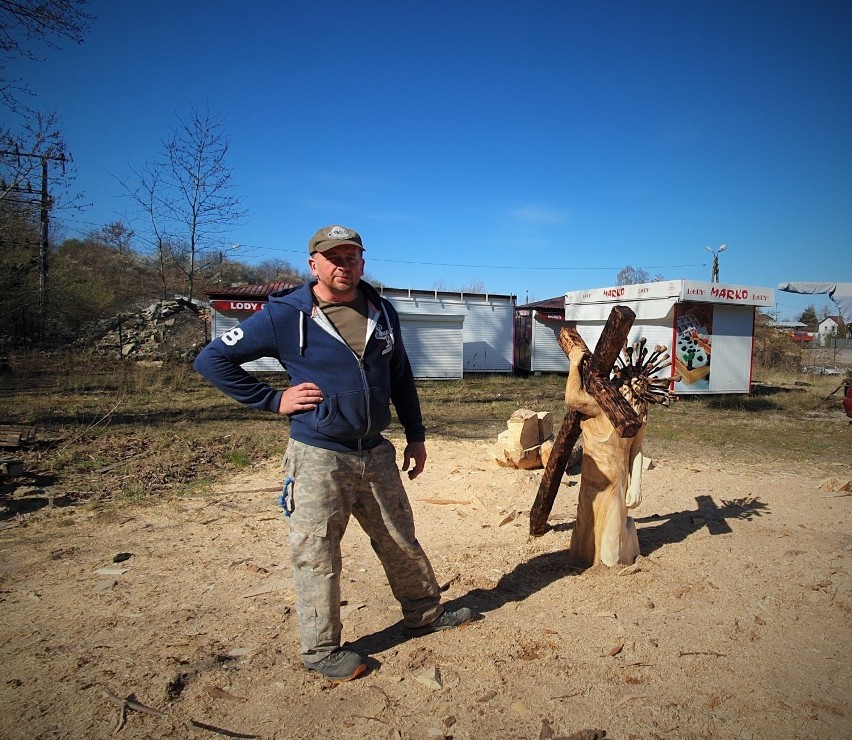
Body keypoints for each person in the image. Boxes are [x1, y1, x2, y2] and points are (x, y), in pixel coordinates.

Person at [194, 225, 474, 683]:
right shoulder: (286, 314)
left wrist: (416, 435)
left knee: (399, 538)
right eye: (334, 258)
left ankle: (424, 613)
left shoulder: (382, 310)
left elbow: (400, 375)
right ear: (314, 264)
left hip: (375, 451)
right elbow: (211, 360)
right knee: (318, 552)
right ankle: (321, 649)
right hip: (319, 455)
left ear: (363, 261)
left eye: (352, 257)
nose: (344, 265)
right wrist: (272, 400)